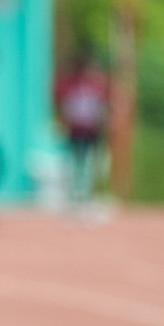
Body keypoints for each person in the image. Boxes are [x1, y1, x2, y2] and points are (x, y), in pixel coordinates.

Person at [54, 47, 109, 217]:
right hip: (76, 129)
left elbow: (102, 107)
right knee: (75, 164)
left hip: (91, 129)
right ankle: (74, 199)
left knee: (89, 165)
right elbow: (65, 105)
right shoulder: (72, 84)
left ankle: (86, 198)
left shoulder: (97, 85)